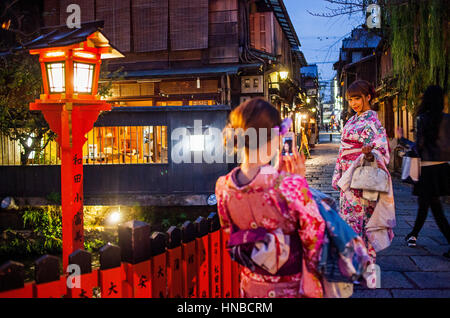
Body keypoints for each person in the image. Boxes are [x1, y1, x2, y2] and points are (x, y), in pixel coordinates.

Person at [215, 98, 327, 298]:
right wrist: (299, 182)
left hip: (251, 283)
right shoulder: (289, 184)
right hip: (290, 286)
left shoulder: (223, 185)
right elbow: (314, 234)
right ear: (273, 138)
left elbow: (228, 231)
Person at [332, 80, 395, 278]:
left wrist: (369, 154)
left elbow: (382, 151)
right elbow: (343, 149)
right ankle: (356, 266)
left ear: (368, 97)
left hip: (362, 177)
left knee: (362, 221)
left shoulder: (373, 122)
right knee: (349, 221)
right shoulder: (352, 120)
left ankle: (364, 266)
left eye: (357, 98)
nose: (353, 103)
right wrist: (339, 173)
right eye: (350, 99)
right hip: (349, 177)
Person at [396, 85, 450, 257]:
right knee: (426, 205)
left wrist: (402, 139)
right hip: (443, 168)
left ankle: (418, 235)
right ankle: (413, 234)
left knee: (434, 208)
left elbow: (419, 147)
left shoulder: (422, 119)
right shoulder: (448, 119)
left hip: (427, 169)